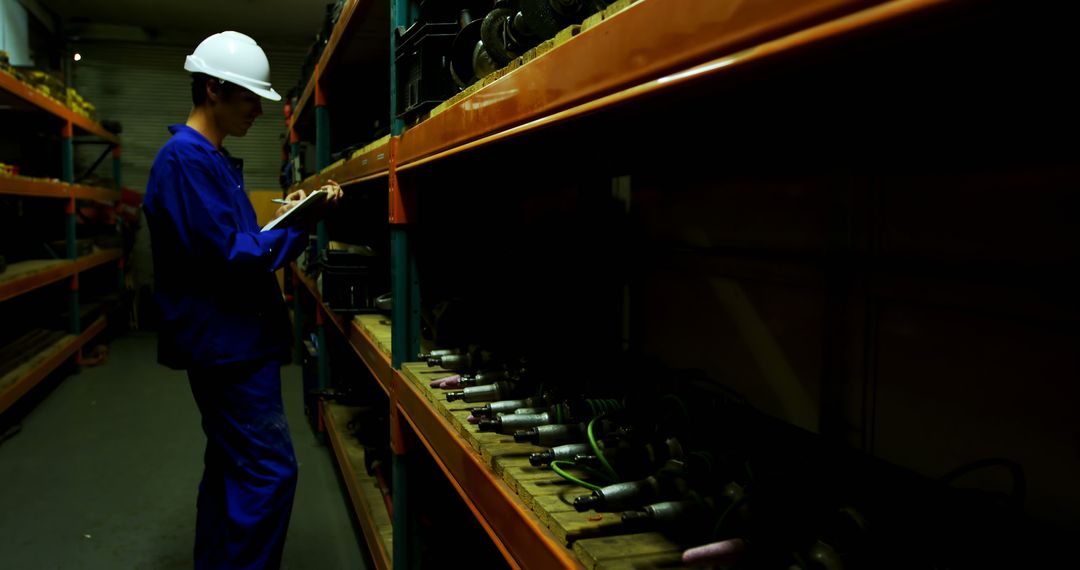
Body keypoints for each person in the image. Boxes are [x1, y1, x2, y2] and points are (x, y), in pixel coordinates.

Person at [142, 31, 341, 569]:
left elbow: (232, 243)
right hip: (227, 346)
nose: (259, 109)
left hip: (230, 340)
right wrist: (304, 222)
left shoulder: (208, 158)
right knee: (268, 474)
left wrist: (290, 217)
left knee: (231, 468)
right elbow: (235, 257)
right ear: (213, 89)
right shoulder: (186, 161)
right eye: (250, 97)